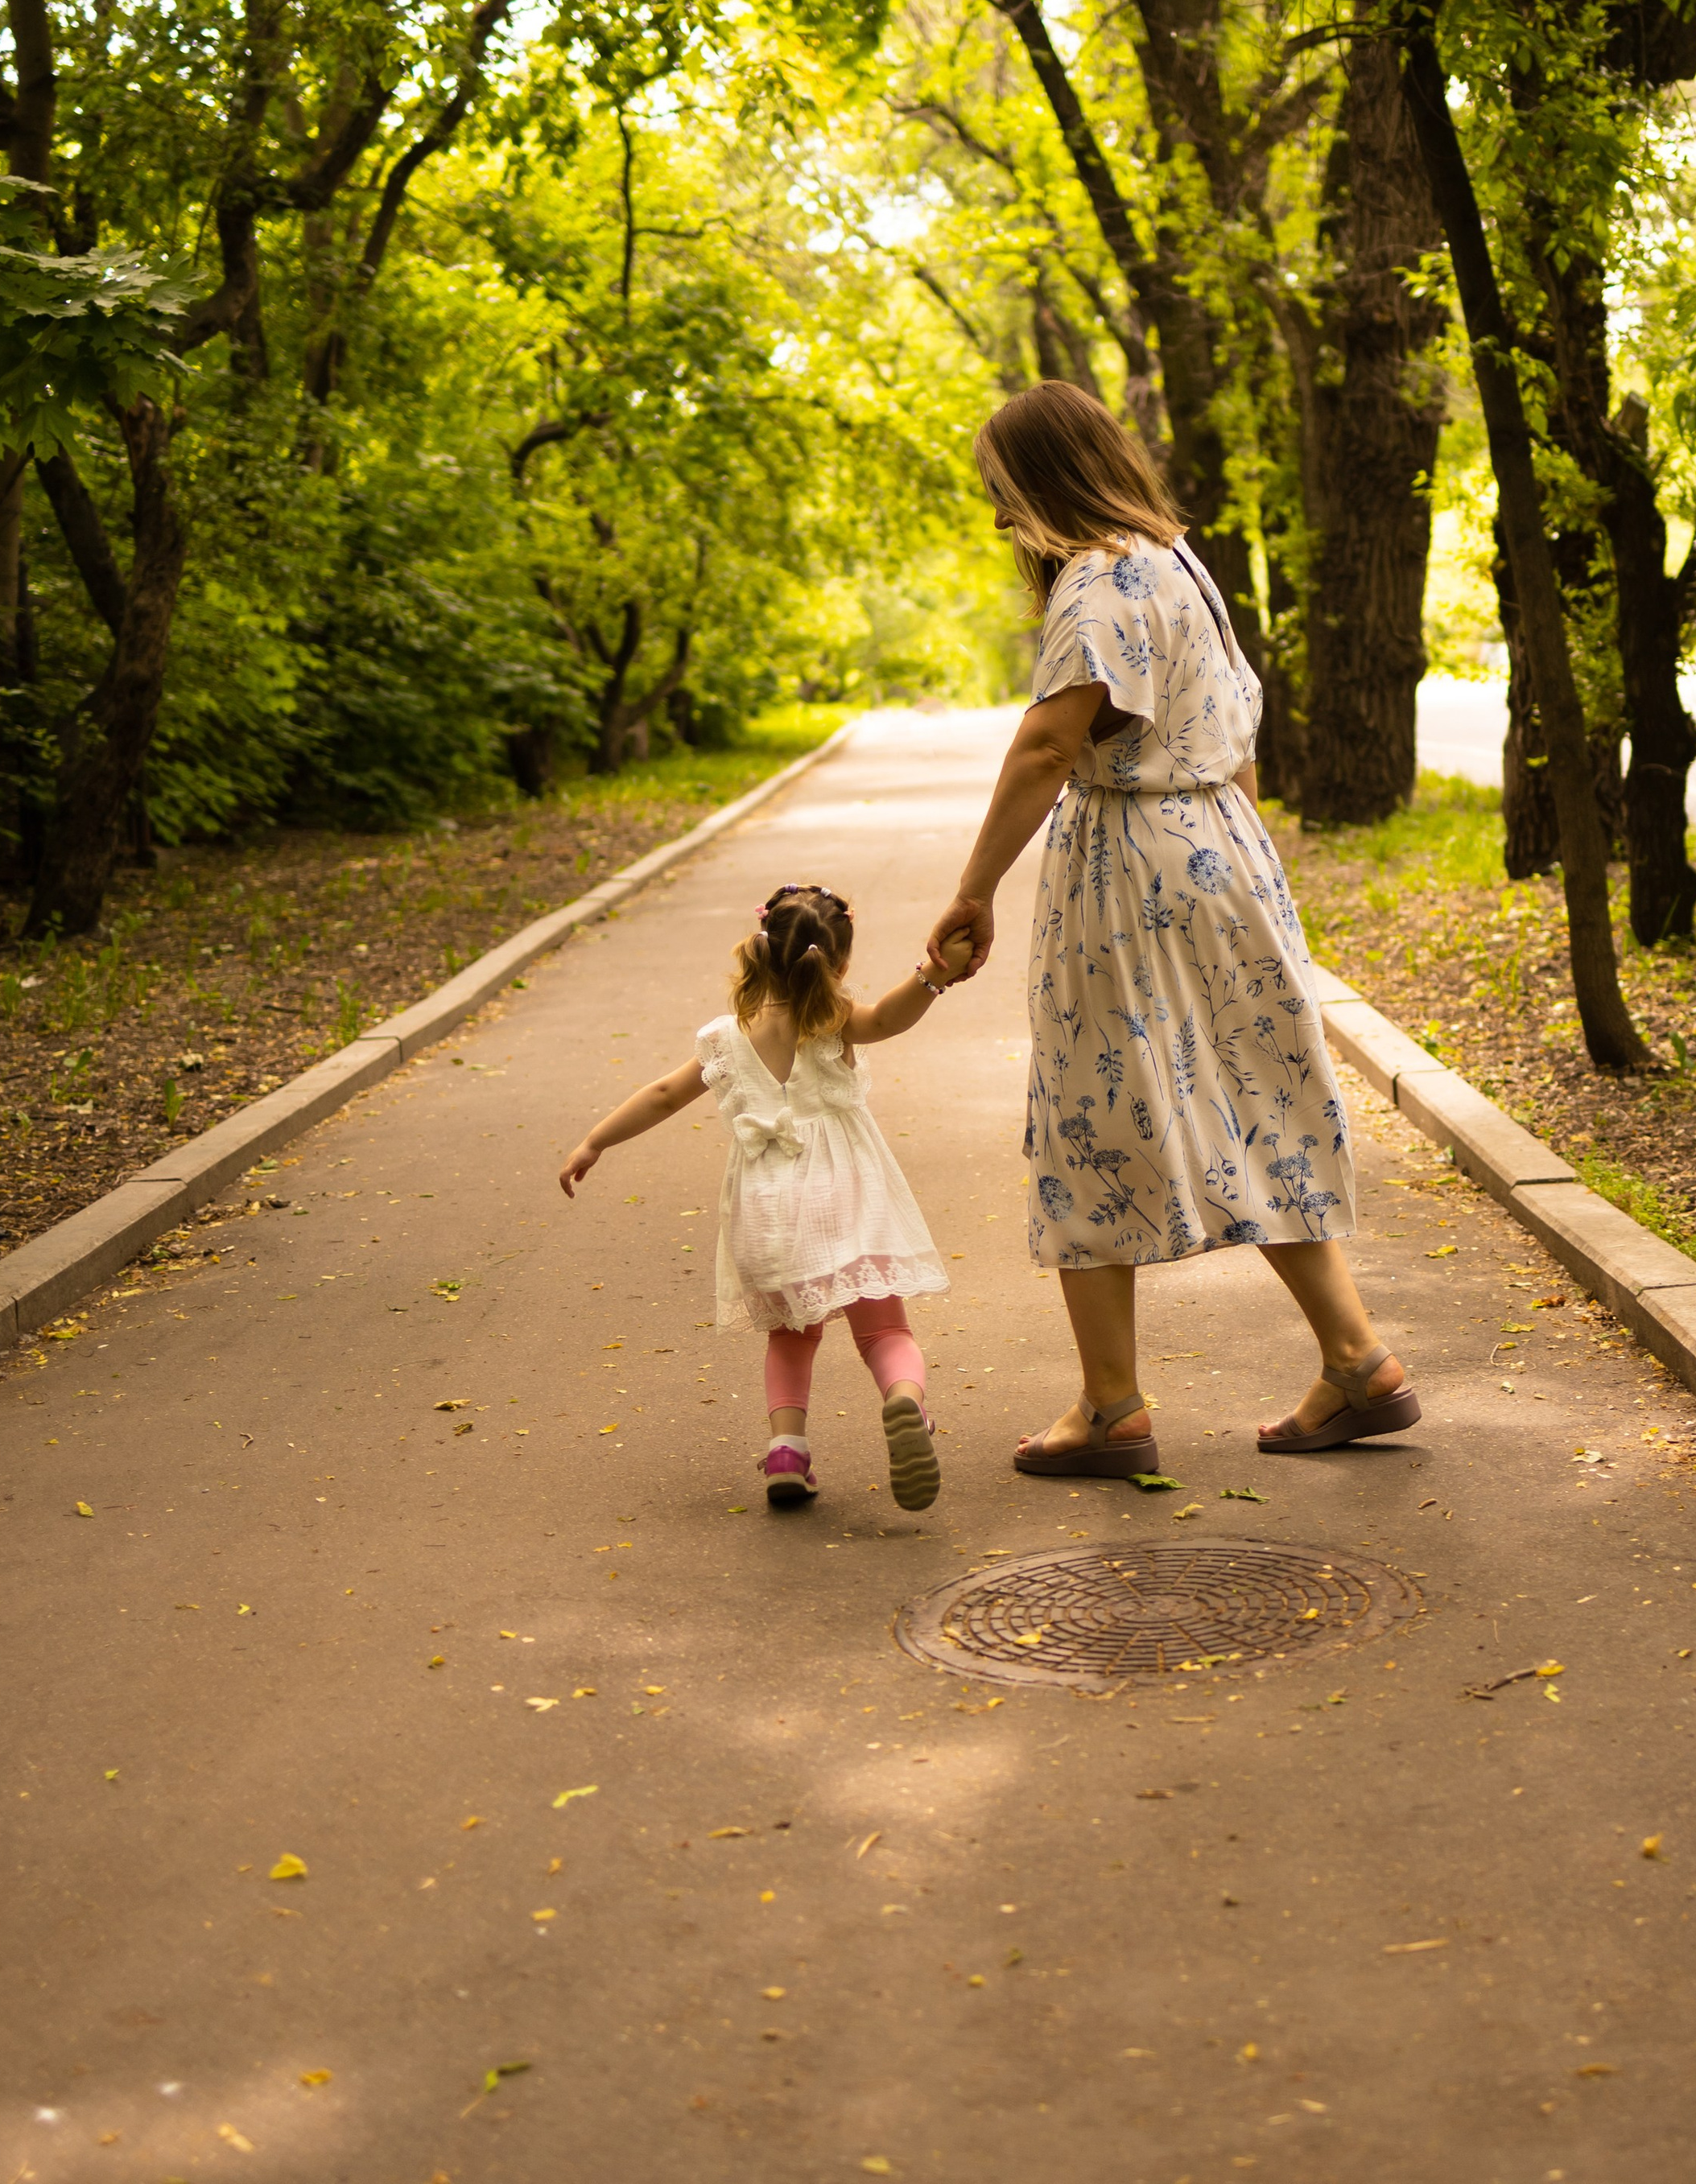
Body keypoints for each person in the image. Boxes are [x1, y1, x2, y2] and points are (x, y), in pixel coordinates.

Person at [926, 381, 1420, 1471]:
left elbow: (1049, 747)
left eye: (1004, 491)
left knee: (1090, 1111)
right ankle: (1357, 1359)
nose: (999, 516)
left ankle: (1111, 1406)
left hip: (1130, 862)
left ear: (1046, 479)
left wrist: (975, 890)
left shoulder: (1097, 583)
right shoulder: (1178, 564)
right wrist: (1237, 866)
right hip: (1222, 848)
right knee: (1257, 1093)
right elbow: (1237, 737)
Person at [559, 884, 972, 1512]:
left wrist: (595, 1141)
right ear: (838, 964)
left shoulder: (726, 1038)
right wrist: (933, 974)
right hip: (847, 1196)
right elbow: (891, 1017)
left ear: (761, 952)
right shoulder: (833, 1019)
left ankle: (787, 1452)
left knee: (790, 1337)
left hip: (770, 1210)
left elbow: (664, 1095)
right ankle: (905, 1402)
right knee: (884, 1329)